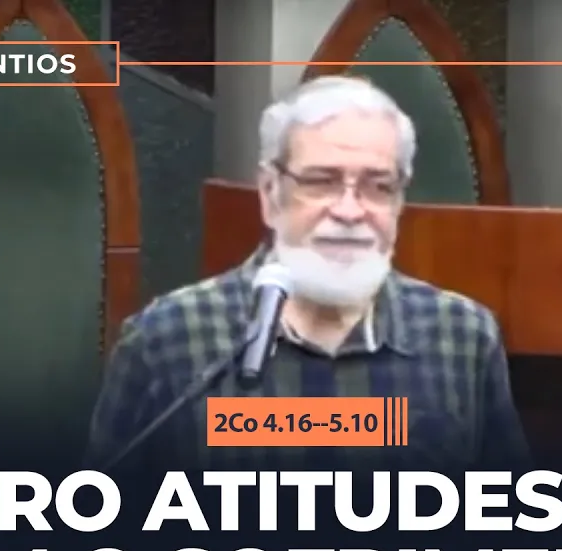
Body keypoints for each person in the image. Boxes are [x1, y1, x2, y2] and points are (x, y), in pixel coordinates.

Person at [86, 75, 531, 471]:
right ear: (270, 193)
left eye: (378, 187)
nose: (349, 211)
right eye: (321, 182)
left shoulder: (461, 337)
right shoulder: (168, 339)